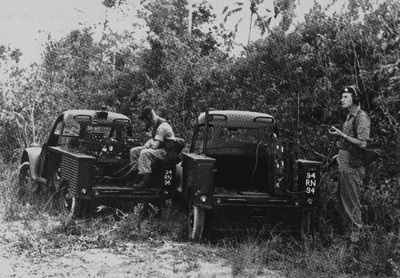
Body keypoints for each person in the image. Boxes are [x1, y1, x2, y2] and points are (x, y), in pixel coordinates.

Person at [329, 85, 371, 242]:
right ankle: (348, 236)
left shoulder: (362, 117)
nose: (342, 99)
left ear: (355, 99)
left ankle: (355, 238)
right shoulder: (350, 117)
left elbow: (363, 144)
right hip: (344, 165)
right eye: (342, 96)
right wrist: (339, 154)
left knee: (352, 202)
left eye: (346, 96)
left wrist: (342, 135)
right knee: (342, 200)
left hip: (353, 167)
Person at [130, 107, 175, 188]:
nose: (145, 122)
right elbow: (152, 140)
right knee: (134, 151)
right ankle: (137, 176)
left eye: (145, 120)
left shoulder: (162, 127)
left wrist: (149, 143)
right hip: (159, 149)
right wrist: (146, 145)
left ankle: (146, 179)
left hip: (166, 152)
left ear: (149, 118)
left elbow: (155, 146)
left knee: (145, 153)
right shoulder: (155, 125)